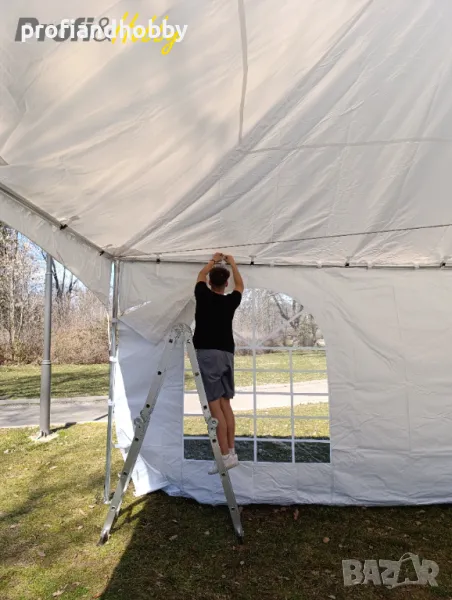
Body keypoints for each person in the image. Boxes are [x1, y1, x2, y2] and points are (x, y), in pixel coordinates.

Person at [193, 252, 244, 474]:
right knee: (225, 405)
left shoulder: (202, 294)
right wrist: (233, 263)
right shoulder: (230, 301)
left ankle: (224, 457)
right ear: (226, 284)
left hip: (208, 355)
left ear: (210, 282)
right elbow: (240, 286)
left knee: (215, 407)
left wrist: (212, 261)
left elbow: (200, 275)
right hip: (227, 355)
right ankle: (231, 452)